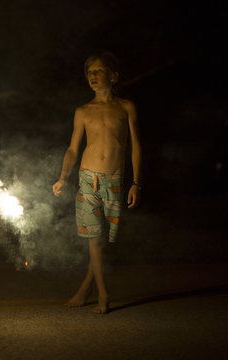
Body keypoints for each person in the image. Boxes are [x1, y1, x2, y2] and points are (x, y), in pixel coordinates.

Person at [52, 51, 142, 314]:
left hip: (114, 180)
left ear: (113, 76)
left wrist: (137, 183)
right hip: (87, 178)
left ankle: (86, 286)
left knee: (102, 240)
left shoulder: (126, 107)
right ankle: (103, 295)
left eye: (99, 70)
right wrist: (62, 178)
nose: (93, 76)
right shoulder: (83, 111)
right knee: (94, 239)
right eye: (89, 72)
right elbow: (72, 149)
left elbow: (136, 146)